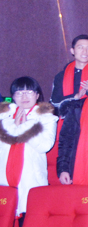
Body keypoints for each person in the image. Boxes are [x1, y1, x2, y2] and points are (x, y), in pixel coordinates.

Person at [0, 77, 57, 214]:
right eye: (19, 93)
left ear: (37, 95)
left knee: (28, 215)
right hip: (4, 176)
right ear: (13, 97)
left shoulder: (46, 118)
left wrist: (26, 127)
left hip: (31, 177)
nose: (24, 97)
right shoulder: (4, 117)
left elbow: (45, 146)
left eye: (29, 92)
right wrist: (13, 126)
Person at [51, 35, 88, 109]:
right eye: (80, 47)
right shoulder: (61, 76)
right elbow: (54, 102)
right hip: (67, 115)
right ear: (72, 51)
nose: (84, 51)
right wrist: (75, 97)